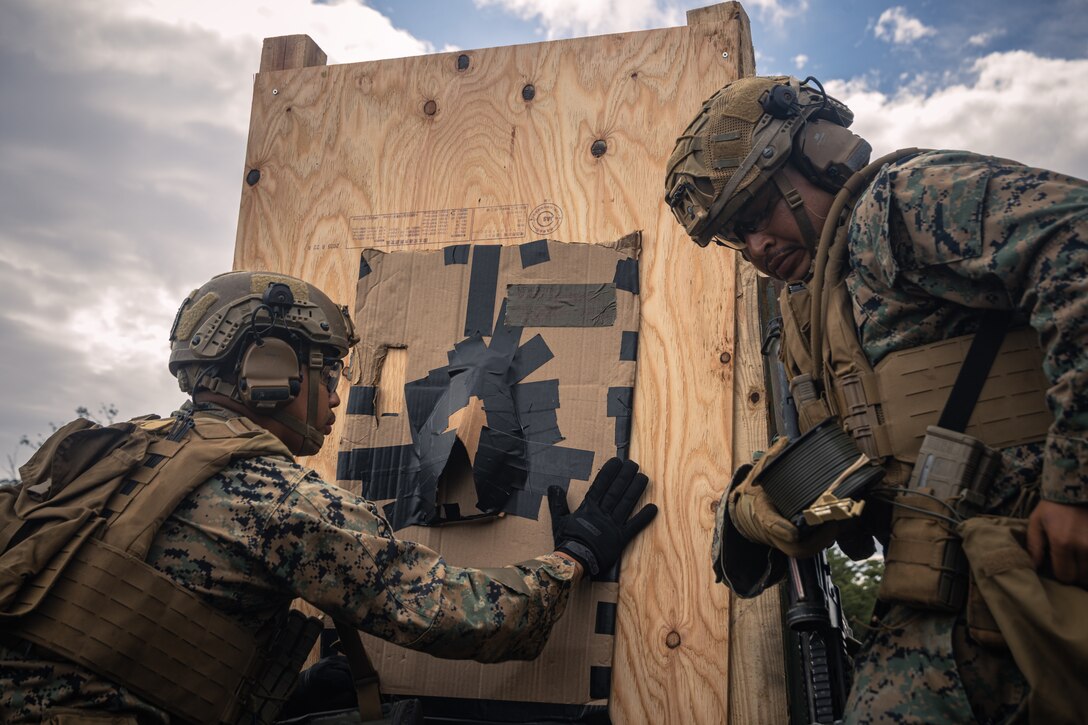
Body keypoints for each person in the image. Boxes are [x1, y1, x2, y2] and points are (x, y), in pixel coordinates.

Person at [0, 270, 657, 723]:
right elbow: (471, 618)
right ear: (273, 370)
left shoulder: (109, 453)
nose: (340, 393)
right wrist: (572, 556)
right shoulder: (277, 498)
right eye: (329, 368)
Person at [665, 75, 1088, 723]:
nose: (754, 247)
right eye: (734, 235)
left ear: (818, 151)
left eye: (755, 214)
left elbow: (1077, 242)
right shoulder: (810, 317)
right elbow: (862, 473)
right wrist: (772, 511)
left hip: (1047, 578)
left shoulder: (902, 201)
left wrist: (1075, 484)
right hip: (952, 605)